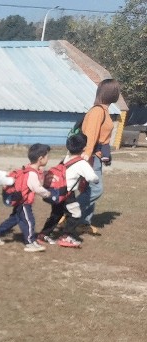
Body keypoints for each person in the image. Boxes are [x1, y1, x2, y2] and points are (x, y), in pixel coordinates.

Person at [0, 142, 51, 253]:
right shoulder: (32, 173)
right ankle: (30, 242)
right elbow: (37, 188)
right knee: (29, 221)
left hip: (19, 200)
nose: (48, 158)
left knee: (13, 220)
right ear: (41, 159)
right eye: (47, 156)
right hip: (24, 203)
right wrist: (48, 194)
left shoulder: (27, 168)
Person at [38, 132, 98, 249]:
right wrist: (95, 179)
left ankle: (43, 234)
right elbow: (92, 177)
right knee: (76, 214)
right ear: (84, 148)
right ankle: (66, 236)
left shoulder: (66, 158)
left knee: (56, 214)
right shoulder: (82, 163)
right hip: (67, 194)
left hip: (57, 191)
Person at [78, 78, 121, 236]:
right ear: (111, 93)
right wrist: (87, 156)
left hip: (96, 156)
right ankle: (70, 210)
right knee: (96, 189)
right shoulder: (97, 111)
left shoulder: (104, 110)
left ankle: (83, 223)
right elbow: (91, 135)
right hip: (91, 157)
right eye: (117, 90)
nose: (118, 93)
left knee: (89, 190)